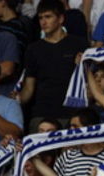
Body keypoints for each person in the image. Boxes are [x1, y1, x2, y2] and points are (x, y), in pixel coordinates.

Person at [19, 0, 89, 131]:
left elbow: (88, 82)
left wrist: (83, 66)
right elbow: (29, 87)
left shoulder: (79, 44)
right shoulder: (33, 49)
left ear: (61, 18)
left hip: (71, 115)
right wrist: (17, 99)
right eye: (40, 18)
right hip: (41, 115)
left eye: (48, 17)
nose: (43, 22)